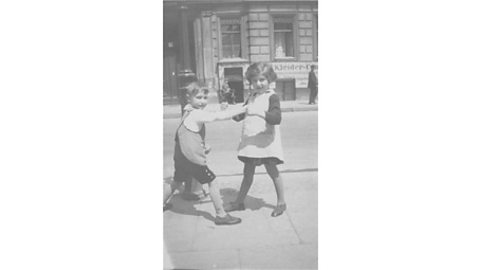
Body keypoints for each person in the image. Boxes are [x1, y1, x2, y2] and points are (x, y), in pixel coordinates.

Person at [163, 81, 247, 225]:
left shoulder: (188, 110)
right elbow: (217, 117)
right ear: (189, 98)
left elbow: (187, 134)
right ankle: (221, 215)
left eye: (204, 98)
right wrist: (242, 109)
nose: (202, 101)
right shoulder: (196, 114)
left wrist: (202, 145)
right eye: (198, 97)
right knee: (212, 181)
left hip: (180, 156)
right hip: (191, 158)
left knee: (177, 181)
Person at [226, 62, 287, 217]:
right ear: (250, 82)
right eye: (255, 81)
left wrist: (259, 112)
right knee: (247, 174)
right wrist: (230, 111)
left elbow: (276, 118)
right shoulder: (251, 97)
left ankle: (281, 202)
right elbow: (240, 116)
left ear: (269, 80)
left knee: (273, 172)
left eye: (262, 80)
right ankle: (239, 201)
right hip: (251, 143)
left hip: (266, 143)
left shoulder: (272, 97)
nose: (258, 84)